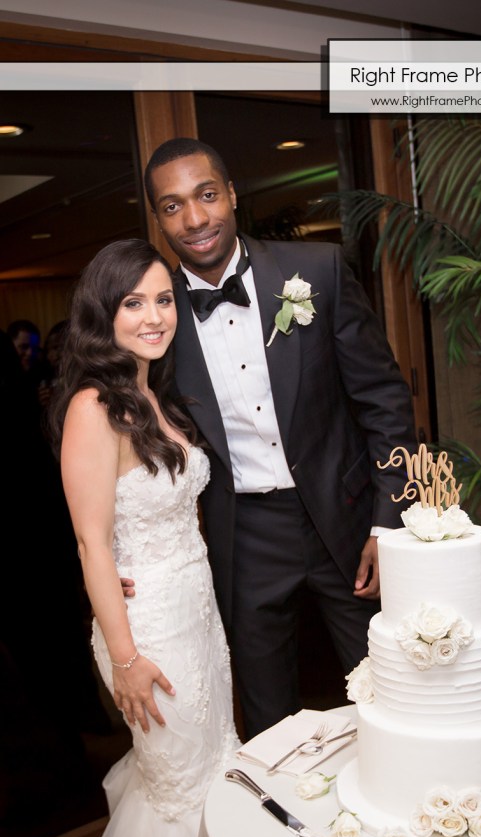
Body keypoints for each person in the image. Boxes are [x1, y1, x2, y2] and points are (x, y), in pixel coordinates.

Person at [138, 137, 416, 739]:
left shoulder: (315, 272)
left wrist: (386, 521)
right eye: (172, 206)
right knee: (268, 720)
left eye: (206, 195)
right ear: (157, 218)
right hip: (243, 534)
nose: (194, 219)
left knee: (391, 689)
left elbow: (384, 400)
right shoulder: (157, 320)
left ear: (232, 194)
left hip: (342, 518)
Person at [49, 238, 239, 837]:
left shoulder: (150, 396)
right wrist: (124, 656)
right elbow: (93, 543)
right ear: (105, 312)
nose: (155, 315)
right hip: (148, 632)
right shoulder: (94, 406)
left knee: (211, 769)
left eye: (164, 299)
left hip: (196, 617)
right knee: (179, 789)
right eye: (134, 302)